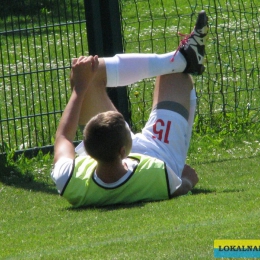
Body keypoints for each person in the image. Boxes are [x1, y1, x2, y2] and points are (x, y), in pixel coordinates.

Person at [51, 10, 208, 207]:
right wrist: (187, 179)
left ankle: (182, 59)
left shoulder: (70, 180)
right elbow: (180, 188)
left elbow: (62, 138)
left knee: (89, 72)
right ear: (123, 150)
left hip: (113, 152)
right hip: (160, 151)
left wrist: (80, 86)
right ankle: (181, 62)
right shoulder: (158, 171)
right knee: (175, 73)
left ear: (87, 148)